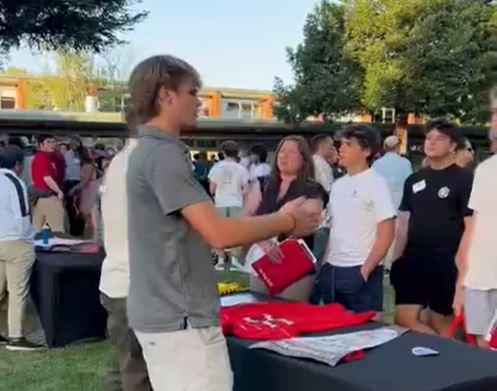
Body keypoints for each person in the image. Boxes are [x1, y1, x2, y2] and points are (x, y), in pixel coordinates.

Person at [125, 55, 319, 391]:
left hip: (168, 314)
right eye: (192, 92)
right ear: (165, 96)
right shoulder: (163, 155)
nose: (199, 102)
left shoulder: (151, 151)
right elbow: (219, 233)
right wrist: (287, 220)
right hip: (180, 319)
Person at [391, 119, 473, 335]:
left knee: (441, 324)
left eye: (439, 138)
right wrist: (396, 259)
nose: (432, 142)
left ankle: (450, 362)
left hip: (446, 262)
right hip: (414, 259)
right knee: (403, 319)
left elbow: (471, 226)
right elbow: (403, 223)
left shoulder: (465, 179)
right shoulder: (413, 180)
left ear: (453, 145)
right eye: (429, 138)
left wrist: (463, 270)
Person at [310, 125, 396, 314]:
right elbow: (333, 227)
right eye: (341, 144)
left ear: (366, 151)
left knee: (365, 334)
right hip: (333, 269)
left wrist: (366, 270)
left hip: (359, 268)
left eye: (349, 144)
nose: (341, 148)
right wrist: (325, 264)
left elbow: (387, 232)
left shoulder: (377, 183)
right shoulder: (339, 185)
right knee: (335, 330)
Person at [98, 137, 152, 391]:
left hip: (116, 280)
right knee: (137, 372)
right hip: (137, 283)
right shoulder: (147, 162)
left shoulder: (119, 162)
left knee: (123, 366)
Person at [247, 135, 328, 300]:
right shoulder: (261, 183)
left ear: (303, 159)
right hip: (262, 259)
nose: (284, 156)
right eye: (281, 151)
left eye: (291, 152)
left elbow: (302, 226)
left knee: (288, 314)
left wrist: (264, 226)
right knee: (258, 312)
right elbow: (247, 218)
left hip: (295, 263)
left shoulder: (313, 189)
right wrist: (263, 241)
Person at [454, 138, 497, 348]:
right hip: (482, 273)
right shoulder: (486, 171)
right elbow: (474, 224)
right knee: (482, 341)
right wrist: (463, 278)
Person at [0, 146, 43, 351]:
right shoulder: (15, 183)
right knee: (17, 291)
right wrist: (29, 239)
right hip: (16, 241)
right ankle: (16, 337)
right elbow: (22, 216)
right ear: (18, 164)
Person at [208, 141, 250, 269]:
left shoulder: (216, 168)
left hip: (220, 202)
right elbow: (246, 189)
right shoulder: (241, 169)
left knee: (218, 231)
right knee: (236, 232)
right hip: (236, 202)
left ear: (223, 153)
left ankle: (220, 259)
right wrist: (237, 193)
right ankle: (235, 260)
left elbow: (212, 189)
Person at [31, 134, 66, 233]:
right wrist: (59, 191)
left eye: (53, 142)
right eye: (48, 142)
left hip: (40, 198)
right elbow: (47, 178)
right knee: (57, 230)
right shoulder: (42, 157)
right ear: (41, 145)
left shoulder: (49, 158)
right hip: (50, 197)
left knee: (37, 229)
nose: (52, 144)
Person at [311, 134, 335, 264]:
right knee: (315, 260)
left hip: (313, 219)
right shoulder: (321, 164)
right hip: (321, 221)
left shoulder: (311, 162)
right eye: (331, 146)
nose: (333, 149)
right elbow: (330, 191)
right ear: (323, 146)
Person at [372, 135, 413, 210]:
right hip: (400, 205)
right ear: (397, 147)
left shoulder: (376, 164)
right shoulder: (406, 163)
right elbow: (410, 185)